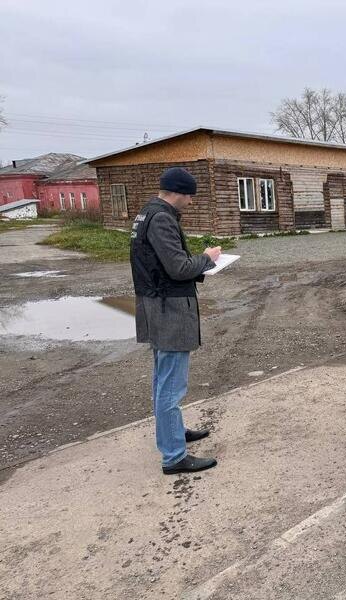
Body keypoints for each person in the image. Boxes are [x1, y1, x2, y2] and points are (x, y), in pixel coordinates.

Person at [130, 167, 221, 475]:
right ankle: (174, 456)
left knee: (162, 380)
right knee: (171, 386)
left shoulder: (147, 213)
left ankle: (173, 433)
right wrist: (208, 258)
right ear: (179, 193)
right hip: (168, 309)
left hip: (155, 305)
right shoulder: (162, 218)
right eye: (190, 196)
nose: (191, 202)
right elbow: (179, 268)